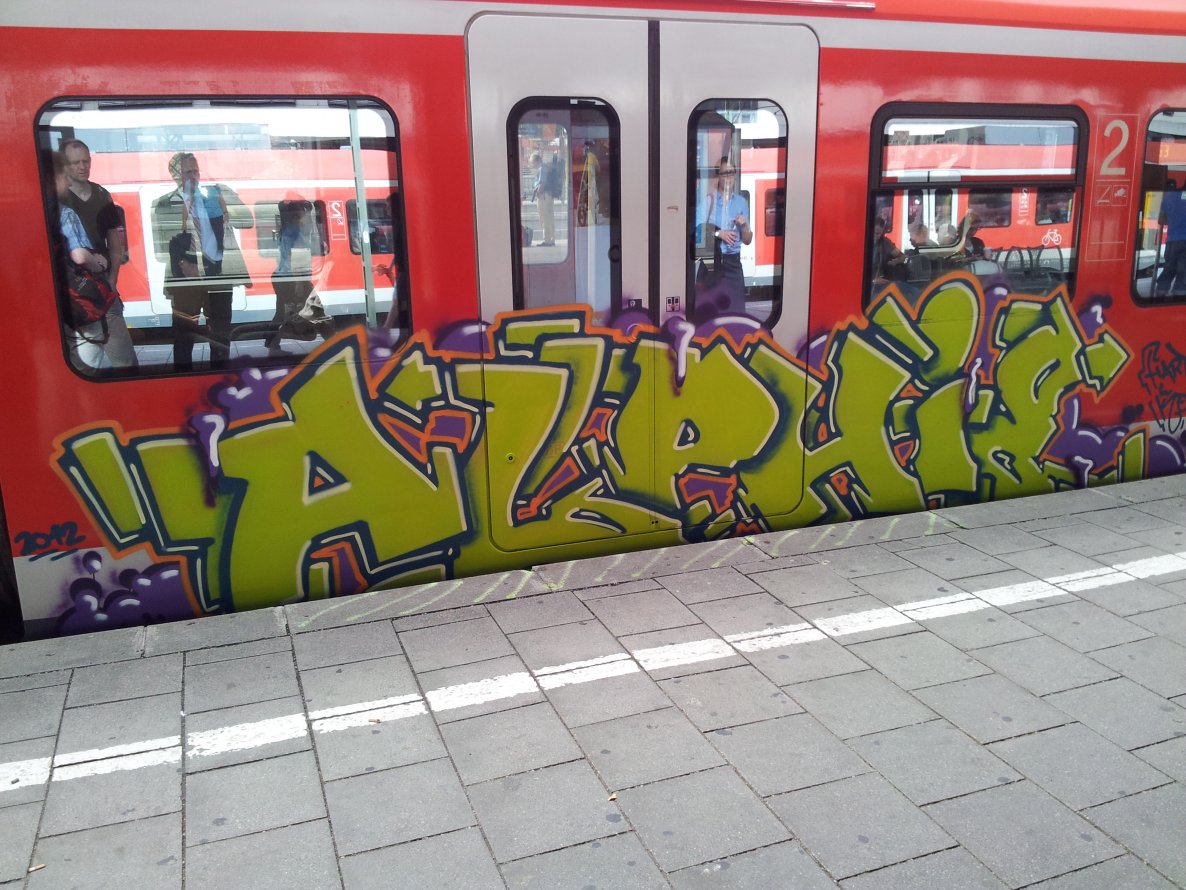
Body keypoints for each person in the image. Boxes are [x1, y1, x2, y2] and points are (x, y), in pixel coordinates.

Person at [152, 152, 252, 370]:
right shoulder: (163, 205)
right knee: (184, 336)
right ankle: (182, 380)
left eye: (195, 171)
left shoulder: (216, 195)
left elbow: (247, 221)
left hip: (220, 275)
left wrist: (226, 204)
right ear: (175, 175)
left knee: (221, 336)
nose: (193, 177)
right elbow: (160, 250)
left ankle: (218, 380)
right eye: (187, 172)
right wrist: (183, 265)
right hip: (185, 282)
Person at [58, 139, 138, 370]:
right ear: (66, 166)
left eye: (86, 161)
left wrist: (112, 279)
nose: (82, 167)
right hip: (75, 288)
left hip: (102, 286)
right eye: (75, 163)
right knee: (82, 363)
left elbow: (115, 242)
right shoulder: (60, 199)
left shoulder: (102, 195)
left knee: (125, 360)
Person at [266, 198, 330, 356]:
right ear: (297, 215)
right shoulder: (296, 231)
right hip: (293, 277)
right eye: (305, 212)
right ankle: (333, 342)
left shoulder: (286, 229)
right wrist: (299, 283)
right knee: (316, 308)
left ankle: (271, 342)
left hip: (281, 276)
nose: (308, 215)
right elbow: (296, 258)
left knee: (282, 312)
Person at [696, 156, 752, 313]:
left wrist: (745, 225)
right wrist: (719, 233)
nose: (729, 177)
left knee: (736, 314)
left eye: (731, 173)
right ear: (718, 176)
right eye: (725, 173)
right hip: (713, 266)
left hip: (734, 265)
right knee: (710, 315)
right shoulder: (709, 201)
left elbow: (747, 240)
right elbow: (696, 230)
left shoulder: (741, 203)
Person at [1156, 181, 1186, 299]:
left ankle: (1159, 295)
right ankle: (1178, 299)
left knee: (1169, 268)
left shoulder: (1169, 197)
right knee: (1183, 273)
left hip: (1172, 240)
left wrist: (1175, 221)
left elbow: (1161, 220)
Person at [870, 216, 905, 289]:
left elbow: (902, 256)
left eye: (878, 234)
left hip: (879, 281)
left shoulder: (885, 243)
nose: (875, 236)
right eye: (873, 232)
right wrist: (872, 280)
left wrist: (895, 262)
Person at [531, 152, 556, 247]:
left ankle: (547, 240)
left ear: (536, 161)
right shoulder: (546, 167)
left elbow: (542, 184)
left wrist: (537, 192)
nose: (532, 165)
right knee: (550, 218)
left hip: (544, 196)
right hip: (549, 196)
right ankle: (551, 239)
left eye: (532, 162)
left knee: (544, 217)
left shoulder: (542, 168)